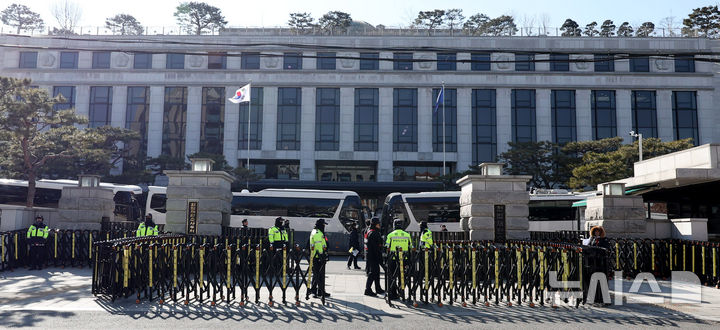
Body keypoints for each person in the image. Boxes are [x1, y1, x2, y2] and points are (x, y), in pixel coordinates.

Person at [385, 219, 412, 300]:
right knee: (402, 276)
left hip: (393, 259)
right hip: (404, 259)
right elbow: (410, 246)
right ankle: (401, 291)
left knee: (392, 277)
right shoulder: (407, 235)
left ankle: (393, 294)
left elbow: (387, 246)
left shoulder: (390, 235)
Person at [309, 219, 330, 298]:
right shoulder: (317, 233)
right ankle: (316, 291)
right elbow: (318, 246)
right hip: (318, 256)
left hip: (318, 256)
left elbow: (323, 244)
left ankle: (319, 291)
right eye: (323, 225)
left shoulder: (318, 232)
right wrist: (322, 255)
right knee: (318, 274)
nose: (324, 226)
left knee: (319, 274)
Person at [364, 218, 385, 297]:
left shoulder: (370, 231)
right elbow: (376, 248)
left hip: (370, 255)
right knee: (373, 273)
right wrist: (380, 259)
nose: (379, 225)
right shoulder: (374, 233)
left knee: (376, 273)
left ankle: (378, 288)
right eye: (378, 224)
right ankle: (367, 289)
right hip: (374, 256)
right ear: (375, 224)